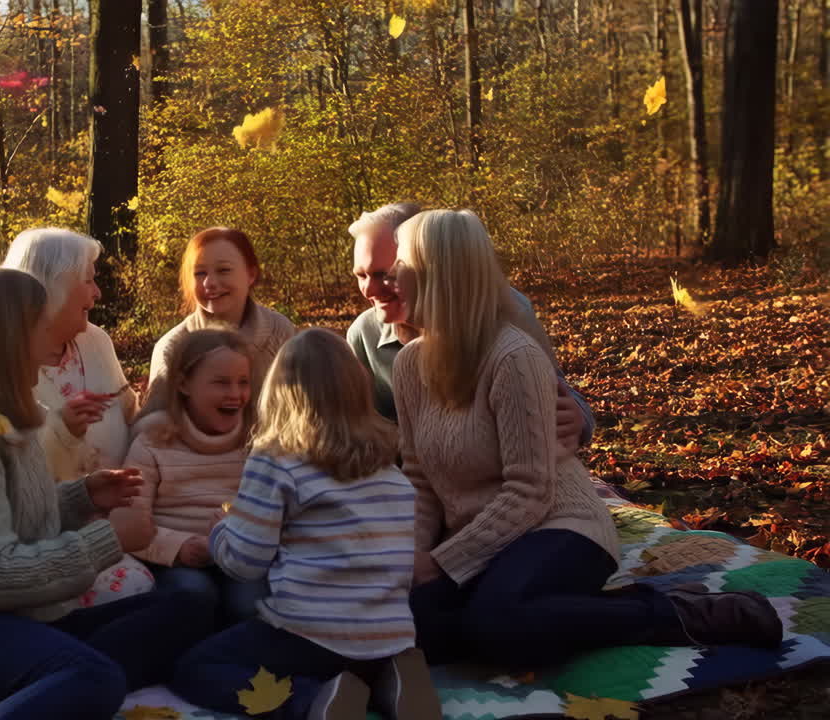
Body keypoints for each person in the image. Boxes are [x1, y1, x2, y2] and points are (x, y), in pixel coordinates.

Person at [391, 210, 782, 669]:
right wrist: (412, 559)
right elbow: (418, 478)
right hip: (480, 540)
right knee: (415, 630)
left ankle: (674, 612)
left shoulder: (512, 356)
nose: (392, 275)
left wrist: (442, 564)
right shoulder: (408, 366)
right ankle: (550, 612)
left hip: (558, 525)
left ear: (439, 274)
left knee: (499, 625)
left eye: (401, 262)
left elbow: (529, 492)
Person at [0, 265, 214, 718]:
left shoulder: (7, 412)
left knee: (188, 607)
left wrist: (83, 498)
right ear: (9, 334)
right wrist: (109, 540)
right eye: (43, 318)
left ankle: (2, 700)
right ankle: (35, 689)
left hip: (16, 617)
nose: (58, 327)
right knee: (93, 678)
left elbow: (9, 515)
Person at [171, 329, 441, 720]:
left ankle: (311, 700)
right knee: (360, 658)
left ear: (279, 392)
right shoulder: (387, 468)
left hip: (311, 636)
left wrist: (221, 532)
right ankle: (391, 680)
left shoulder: (276, 460)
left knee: (196, 667)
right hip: (389, 635)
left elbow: (245, 562)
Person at [346, 203, 593, 452]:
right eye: (361, 275)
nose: (369, 290)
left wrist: (577, 418)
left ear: (429, 264)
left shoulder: (508, 312)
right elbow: (360, 429)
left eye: (383, 273)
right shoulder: (364, 335)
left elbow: (557, 397)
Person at [118, 328, 267, 625]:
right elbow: (128, 524)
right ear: (184, 384)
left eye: (243, 383)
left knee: (252, 604)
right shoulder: (153, 441)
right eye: (221, 383)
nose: (236, 395)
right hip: (176, 562)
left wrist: (243, 539)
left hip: (240, 558)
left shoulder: (259, 443)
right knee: (193, 595)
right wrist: (178, 548)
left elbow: (273, 511)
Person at [3, 228, 138, 482]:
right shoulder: (3, 362)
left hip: (125, 505)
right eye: (88, 281)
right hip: (54, 516)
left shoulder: (95, 341)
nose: (97, 293)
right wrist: (63, 429)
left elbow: (131, 414)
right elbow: (15, 473)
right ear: (53, 288)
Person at [143, 227, 296, 414]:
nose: (210, 283)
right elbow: (152, 427)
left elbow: (302, 412)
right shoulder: (172, 348)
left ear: (251, 275)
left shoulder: (279, 332)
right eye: (200, 273)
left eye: (223, 270)